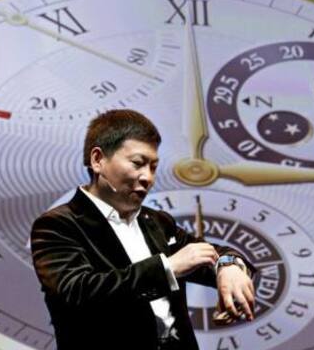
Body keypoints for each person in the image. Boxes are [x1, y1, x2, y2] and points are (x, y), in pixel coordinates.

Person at [30, 109, 255, 350]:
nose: (148, 177)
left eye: (154, 167)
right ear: (98, 160)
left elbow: (214, 253)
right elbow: (77, 293)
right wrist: (168, 268)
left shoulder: (158, 222)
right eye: (138, 163)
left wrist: (229, 266)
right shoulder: (57, 225)